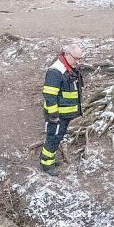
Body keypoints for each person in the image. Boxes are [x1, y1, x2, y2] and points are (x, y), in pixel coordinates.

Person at [40, 44, 85, 176]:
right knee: (53, 138)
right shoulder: (55, 71)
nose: (78, 62)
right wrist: (54, 115)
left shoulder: (69, 68)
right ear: (67, 55)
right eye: (76, 58)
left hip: (65, 113)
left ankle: (50, 160)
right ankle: (47, 165)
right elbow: (50, 95)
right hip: (57, 115)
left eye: (80, 59)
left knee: (57, 137)